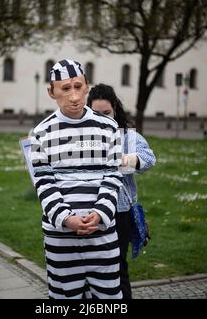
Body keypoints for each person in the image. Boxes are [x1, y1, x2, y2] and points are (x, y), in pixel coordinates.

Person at [30, 59, 123, 299]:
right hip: (60, 240)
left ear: (87, 86)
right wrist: (66, 218)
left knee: (109, 296)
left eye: (78, 86)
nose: (73, 96)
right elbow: (44, 184)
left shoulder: (109, 127)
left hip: (102, 236)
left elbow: (112, 176)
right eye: (65, 88)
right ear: (52, 92)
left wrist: (101, 213)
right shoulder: (41, 133)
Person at [87, 84, 156, 299]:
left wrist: (126, 160)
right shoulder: (81, 136)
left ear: (115, 109)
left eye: (106, 113)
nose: (101, 118)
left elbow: (149, 158)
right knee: (90, 270)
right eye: (95, 113)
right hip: (89, 212)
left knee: (117, 267)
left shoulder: (126, 136)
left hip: (119, 212)